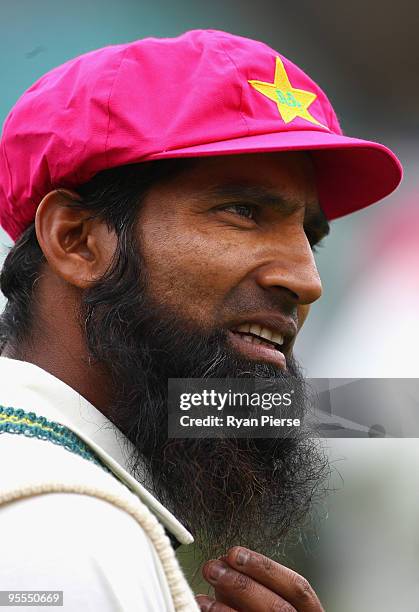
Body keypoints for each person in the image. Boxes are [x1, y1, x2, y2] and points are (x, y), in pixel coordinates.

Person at [0, 29, 401, 611]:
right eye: (243, 211)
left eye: (309, 237)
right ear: (76, 241)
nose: (306, 279)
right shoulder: (59, 531)